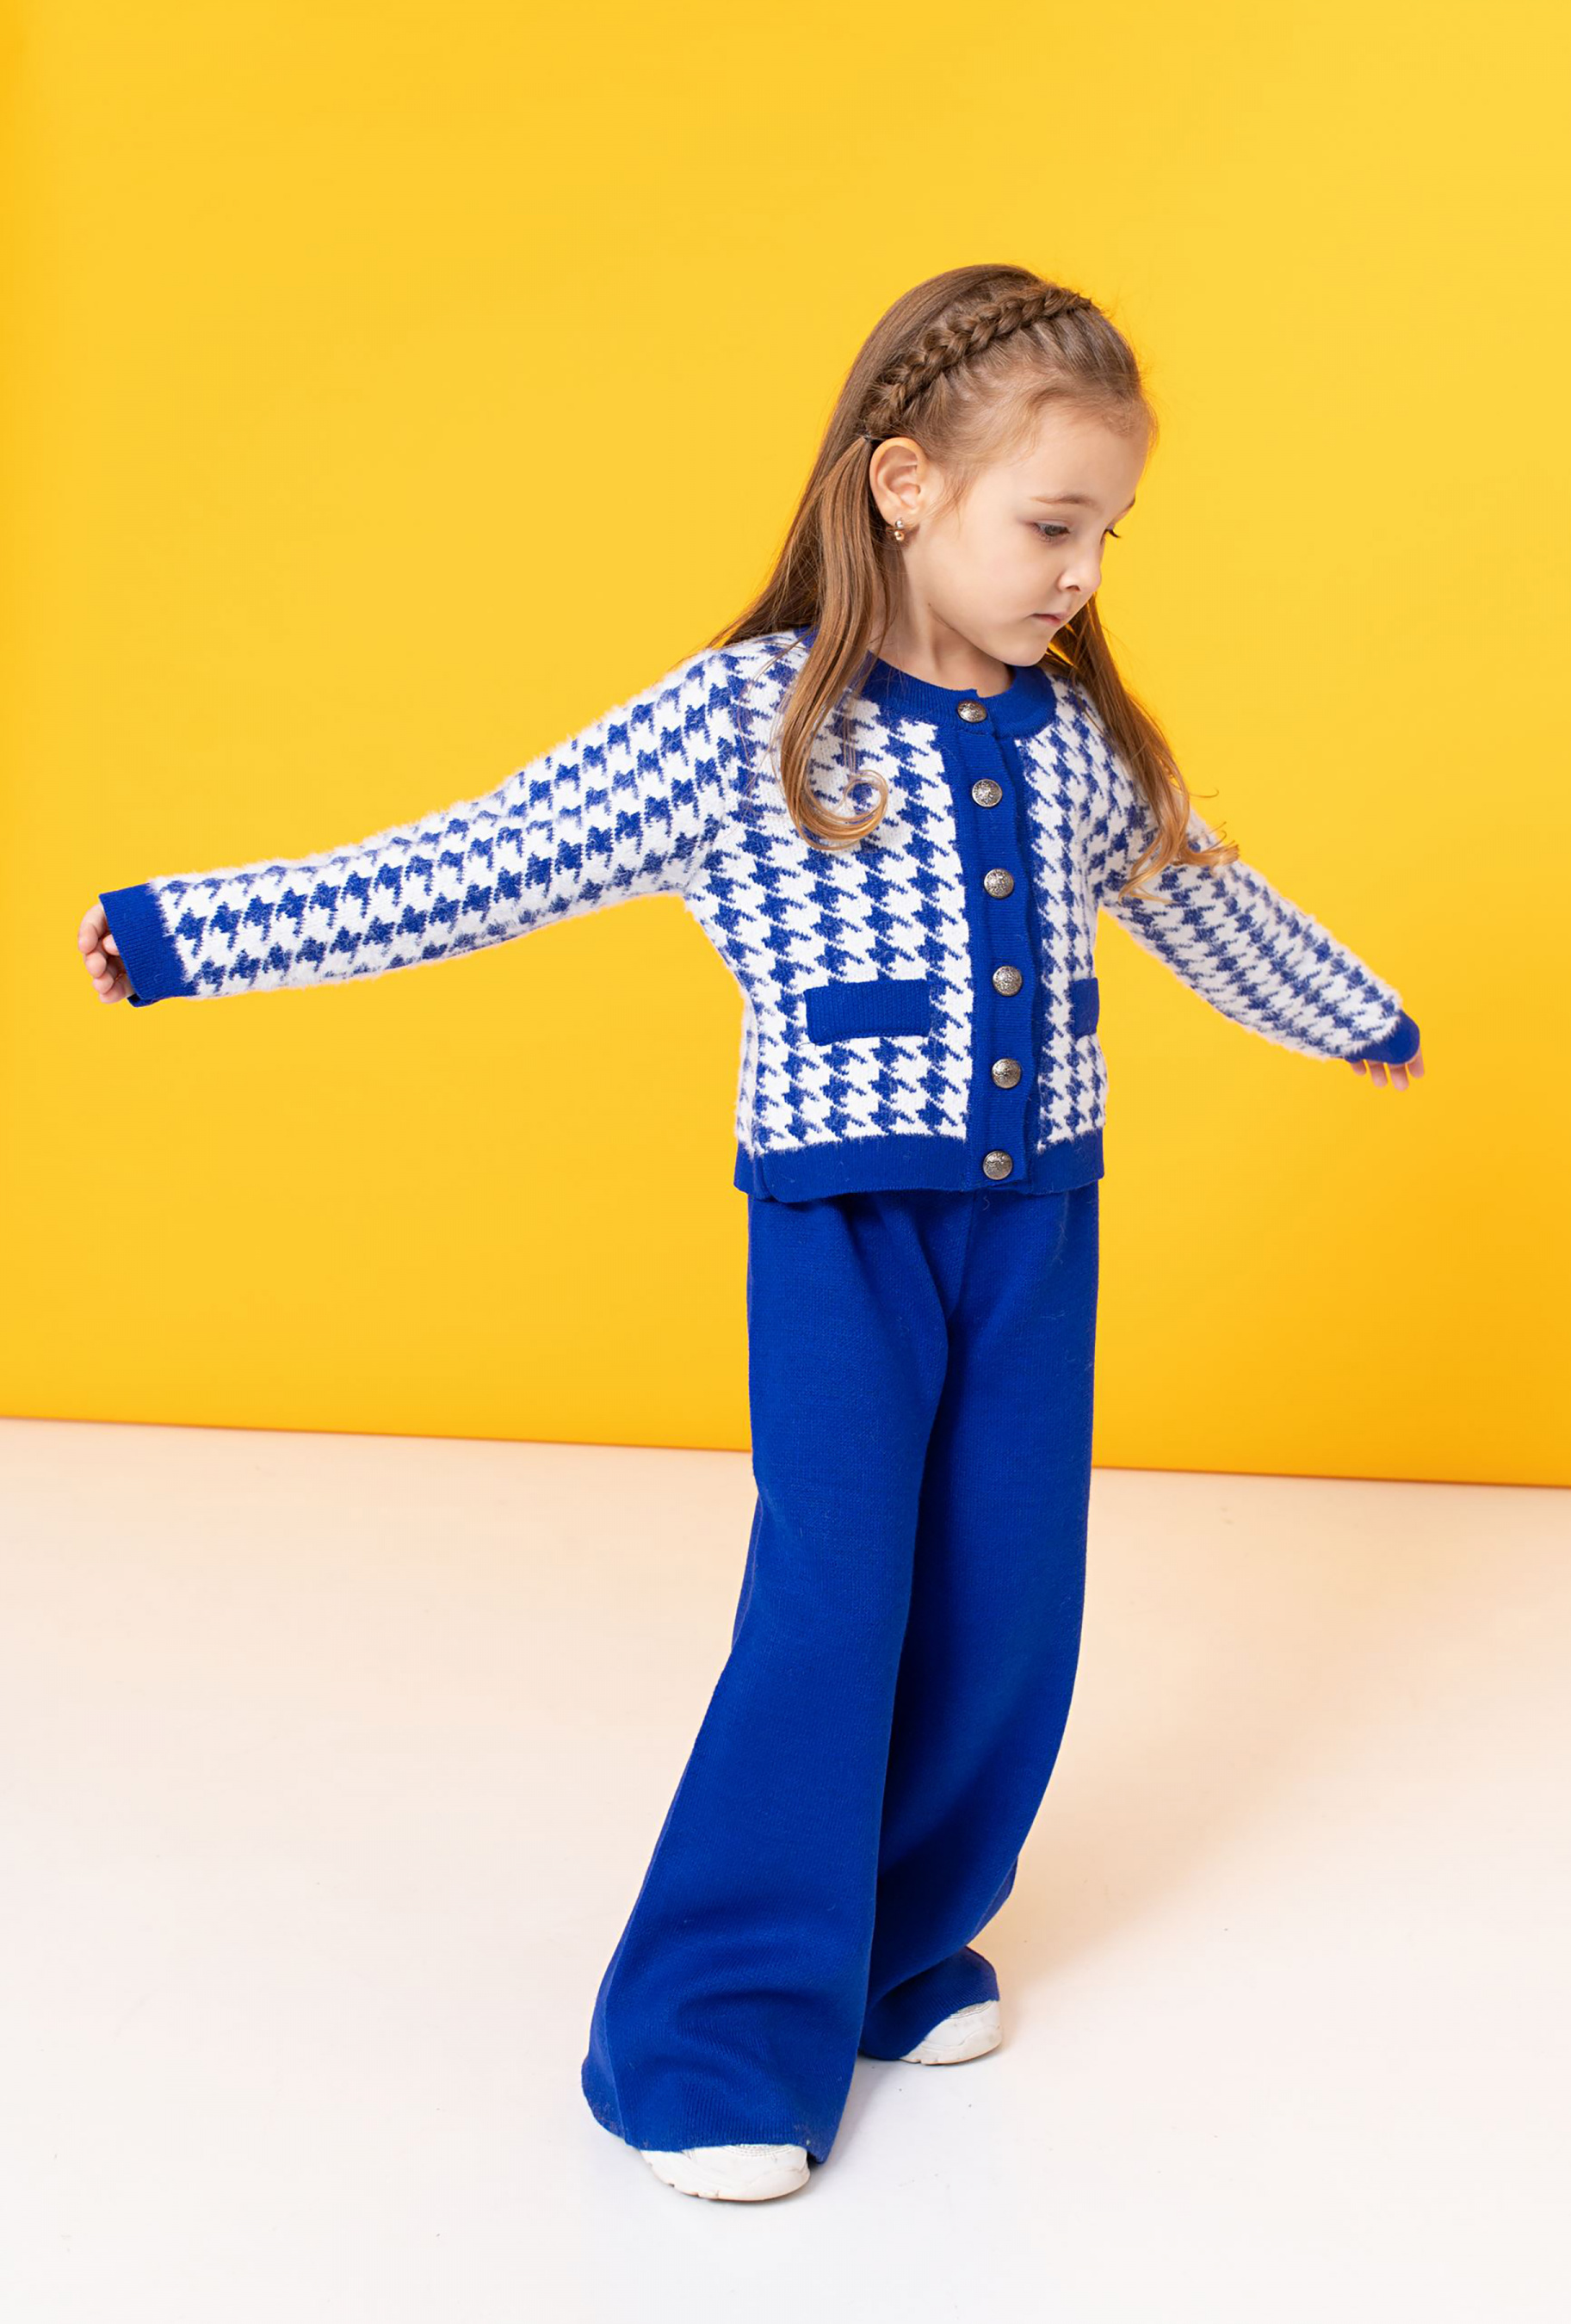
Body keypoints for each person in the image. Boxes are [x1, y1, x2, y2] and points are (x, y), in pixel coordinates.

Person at [77, 262, 1423, 2204]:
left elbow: (1208, 898)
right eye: (1051, 523)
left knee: (1007, 1610)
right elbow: (473, 863)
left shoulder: (1078, 742)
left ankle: (893, 1947)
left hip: (1034, 1229)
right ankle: (709, 2030)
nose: (1080, 573)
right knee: (831, 1611)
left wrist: (1350, 1012)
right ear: (904, 485)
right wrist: (189, 933)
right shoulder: (741, 725)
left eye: (1107, 535)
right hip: (840, 1237)